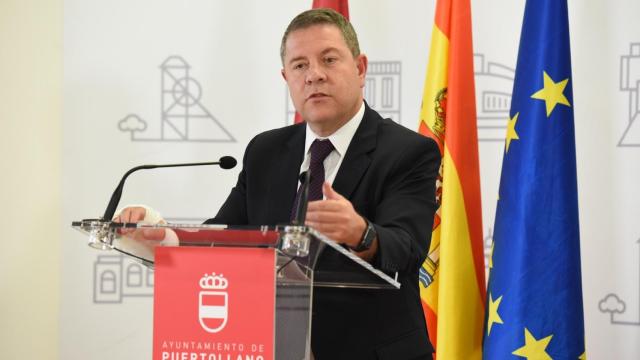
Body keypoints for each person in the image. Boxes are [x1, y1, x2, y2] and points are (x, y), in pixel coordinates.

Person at [118, 8, 440, 360]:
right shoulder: (265, 151)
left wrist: (361, 232)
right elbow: (222, 235)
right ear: (286, 77)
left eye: (329, 60)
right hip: (271, 347)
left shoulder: (408, 151)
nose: (314, 75)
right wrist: (159, 235)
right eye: (300, 65)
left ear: (360, 68)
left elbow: (407, 249)